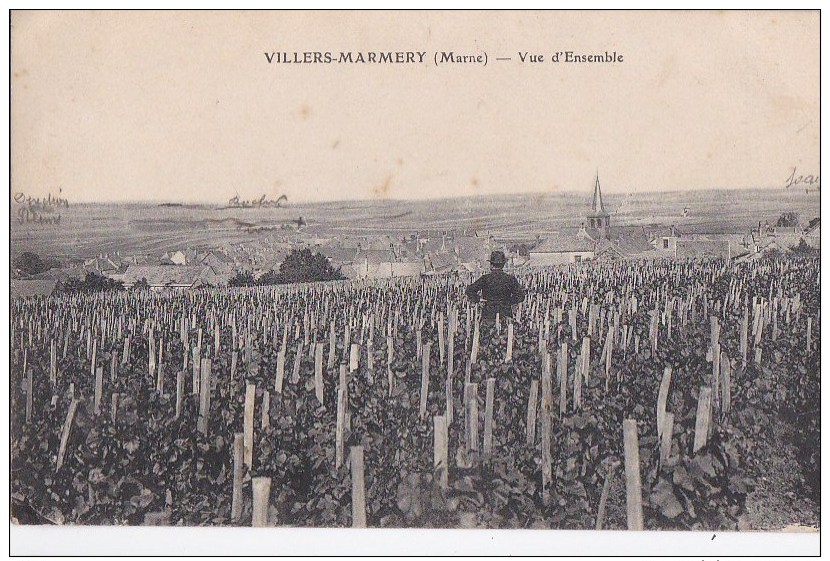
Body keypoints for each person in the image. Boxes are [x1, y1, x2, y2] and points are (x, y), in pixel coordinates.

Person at [466, 250, 526, 324]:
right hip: (505, 315)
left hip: (488, 315)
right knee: (505, 334)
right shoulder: (510, 279)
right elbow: (521, 296)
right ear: (503, 265)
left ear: (491, 265)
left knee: (488, 334)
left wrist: (478, 299)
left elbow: (469, 290)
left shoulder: (485, 278)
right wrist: (508, 302)